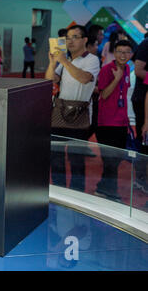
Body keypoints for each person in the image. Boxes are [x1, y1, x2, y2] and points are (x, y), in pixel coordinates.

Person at [45, 25, 101, 192]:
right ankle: (59, 193)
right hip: (59, 112)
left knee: (77, 160)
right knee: (56, 158)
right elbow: (50, 79)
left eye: (75, 37)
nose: (70, 41)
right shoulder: (67, 60)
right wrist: (52, 63)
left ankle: (77, 195)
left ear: (85, 40)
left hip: (80, 115)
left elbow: (84, 79)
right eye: (68, 37)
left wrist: (64, 61)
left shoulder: (91, 59)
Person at [94, 40, 133, 202]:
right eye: (120, 52)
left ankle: (103, 189)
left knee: (115, 161)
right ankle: (110, 192)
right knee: (110, 160)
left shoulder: (127, 68)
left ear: (131, 55)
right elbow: (103, 95)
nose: (123, 55)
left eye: (127, 52)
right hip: (107, 123)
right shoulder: (106, 70)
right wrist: (116, 79)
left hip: (121, 122)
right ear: (114, 53)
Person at [132, 35, 148, 192]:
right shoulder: (146, 44)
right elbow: (138, 70)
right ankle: (140, 179)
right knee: (144, 140)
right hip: (143, 98)